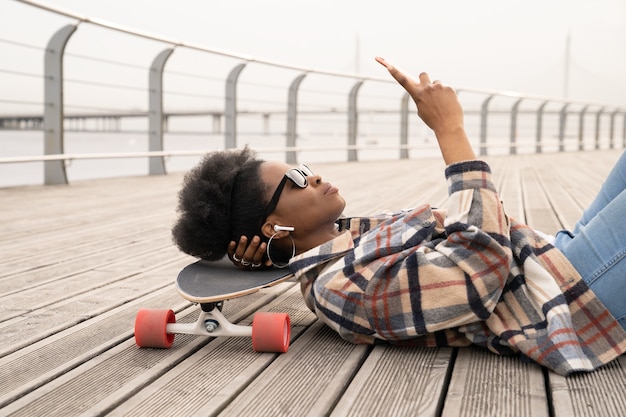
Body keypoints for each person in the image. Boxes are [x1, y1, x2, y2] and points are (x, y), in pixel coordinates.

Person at [172, 57, 626, 376]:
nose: (313, 177)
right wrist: (450, 131)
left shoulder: (347, 244)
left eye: (306, 167)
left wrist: (275, 258)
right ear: (273, 225)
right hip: (571, 296)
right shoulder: (340, 289)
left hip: (551, 258)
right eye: (295, 177)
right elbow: (479, 269)